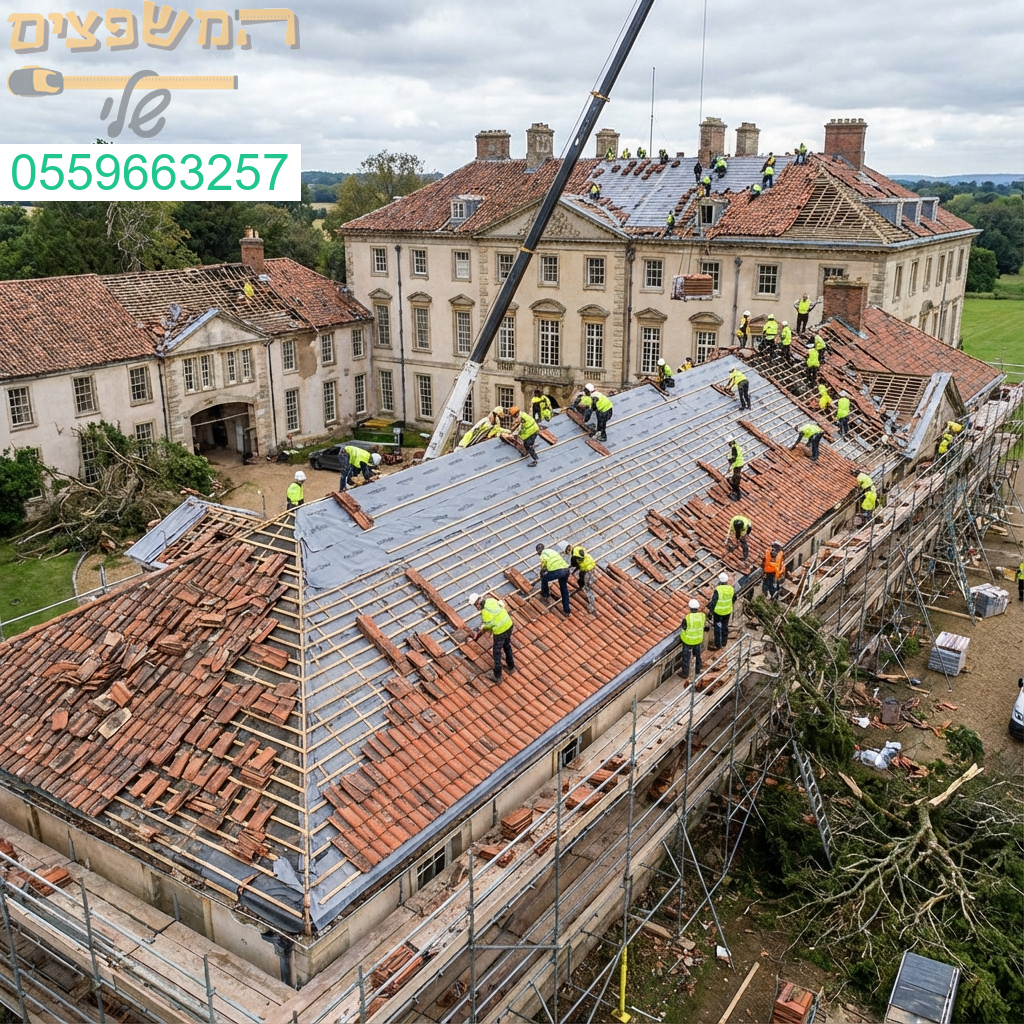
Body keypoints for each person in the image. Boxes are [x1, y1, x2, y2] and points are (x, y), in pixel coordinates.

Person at [470, 592, 515, 682]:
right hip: (509, 624)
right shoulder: (491, 600)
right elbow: (501, 605)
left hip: (500, 631)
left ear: (477, 603)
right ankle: (511, 666)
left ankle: (497, 675)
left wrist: (479, 634)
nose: (476, 608)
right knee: (507, 645)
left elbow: (488, 626)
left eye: (475, 606)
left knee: (496, 652)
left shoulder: (484, 612)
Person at [536, 542, 571, 616]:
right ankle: (567, 611)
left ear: (538, 551)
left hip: (558, 572)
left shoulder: (542, 555)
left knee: (544, 579)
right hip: (566, 570)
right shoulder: (551, 551)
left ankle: (545, 594)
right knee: (564, 588)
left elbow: (543, 567)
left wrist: (542, 572)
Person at [679, 599, 706, 680]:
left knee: (686, 657)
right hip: (698, 639)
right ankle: (697, 669)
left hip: (688, 640)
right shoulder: (702, 616)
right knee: (697, 655)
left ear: (690, 608)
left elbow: (684, 627)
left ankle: (685, 673)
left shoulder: (687, 618)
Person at [707, 572, 734, 650]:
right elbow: (734, 598)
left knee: (717, 627)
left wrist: (710, 611)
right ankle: (724, 642)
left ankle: (718, 644)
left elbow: (714, 602)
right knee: (725, 626)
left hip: (718, 612)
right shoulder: (731, 588)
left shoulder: (718, 589)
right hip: (727, 611)